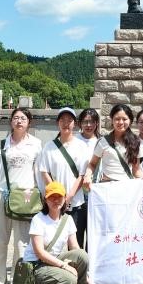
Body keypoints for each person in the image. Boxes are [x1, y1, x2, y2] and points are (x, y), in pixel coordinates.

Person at [82, 103, 142, 284]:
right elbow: (92, 164)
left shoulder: (134, 142)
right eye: (117, 119)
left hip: (125, 194)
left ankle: (121, 280)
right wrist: (88, 176)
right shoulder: (103, 142)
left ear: (130, 121)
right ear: (112, 120)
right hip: (107, 192)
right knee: (107, 236)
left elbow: (136, 171)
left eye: (124, 119)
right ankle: (107, 280)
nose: (121, 122)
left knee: (123, 237)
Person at [0, 107, 42, 284]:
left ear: (29, 122)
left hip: (25, 198)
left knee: (22, 242)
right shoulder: (1, 145)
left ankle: (19, 279)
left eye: (23, 118)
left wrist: (37, 196)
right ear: (11, 121)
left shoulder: (36, 144)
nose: (19, 121)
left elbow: (38, 173)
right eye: (16, 118)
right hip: (4, 195)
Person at [24, 181, 92, 284]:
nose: (56, 200)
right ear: (45, 199)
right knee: (69, 280)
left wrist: (85, 270)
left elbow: (75, 248)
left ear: (65, 198)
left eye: (59, 196)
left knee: (82, 255)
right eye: (52, 197)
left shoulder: (67, 219)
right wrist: (64, 266)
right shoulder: (38, 219)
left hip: (53, 260)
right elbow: (39, 252)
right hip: (37, 265)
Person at [38, 107, 89, 252]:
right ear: (57, 123)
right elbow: (44, 172)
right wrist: (58, 194)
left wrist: (69, 196)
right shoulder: (49, 146)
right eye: (62, 120)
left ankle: (76, 272)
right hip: (54, 202)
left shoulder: (81, 146)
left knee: (75, 241)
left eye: (69, 120)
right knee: (54, 240)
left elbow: (82, 175)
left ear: (75, 123)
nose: (66, 123)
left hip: (76, 202)